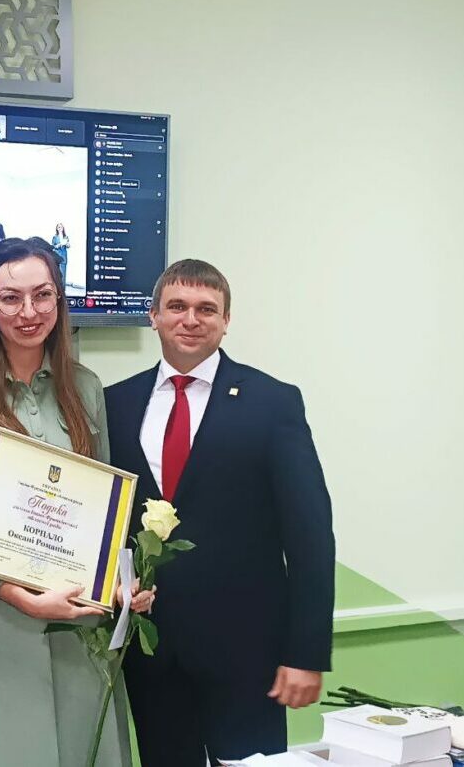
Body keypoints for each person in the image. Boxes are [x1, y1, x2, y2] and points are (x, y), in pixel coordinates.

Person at [0, 237, 152, 767]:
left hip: (72, 631)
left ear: (59, 299)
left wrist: (118, 583)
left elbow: (103, 518)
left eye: (42, 295)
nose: (29, 312)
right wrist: (18, 595)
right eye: (10, 298)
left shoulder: (85, 388)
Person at [104, 259, 335, 765]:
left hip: (248, 655)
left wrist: (306, 654)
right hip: (151, 655)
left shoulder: (273, 403)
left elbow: (311, 535)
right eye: (177, 306)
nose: (191, 319)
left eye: (207, 309)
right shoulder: (113, 405)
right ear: (153, 316)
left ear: (226, 320)